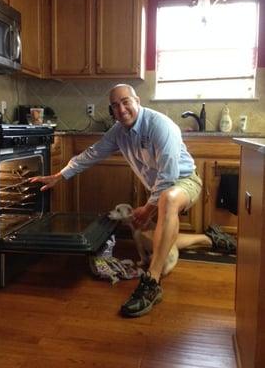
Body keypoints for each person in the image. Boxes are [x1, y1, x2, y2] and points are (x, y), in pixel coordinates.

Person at [30, 84, 233, 318]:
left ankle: (151, 283)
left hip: (184, 181)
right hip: (160, 191)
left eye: (126, 101)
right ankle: (210, 239)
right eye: (115, 105)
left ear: (138, 100)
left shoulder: (160, 126)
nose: (121, 109)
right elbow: (92, 153)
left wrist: (147, 209)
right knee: (158, 245)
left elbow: (168, 179)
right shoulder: (118, 132)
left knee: (167, 200)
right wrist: (59, 176)